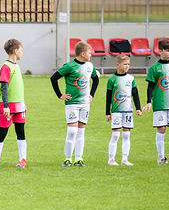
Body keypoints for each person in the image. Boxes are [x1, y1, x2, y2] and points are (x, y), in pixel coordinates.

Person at [51, 40, 99, 168]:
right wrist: (60, 95)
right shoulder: (69, 66)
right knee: (72, 131)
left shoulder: (90, 66)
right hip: (72, 103)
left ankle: (79, 158)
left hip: (85, 104)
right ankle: (67, 158)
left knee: (81, 132)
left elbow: (96, 79)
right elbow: (53, 78)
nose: (91, 55)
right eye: (89, 52)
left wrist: (92, 94)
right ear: (82, 54)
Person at [145, 38, 169, 164]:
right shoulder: (154, 68)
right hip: (160, 103)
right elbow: (150, 86)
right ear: (160, 51)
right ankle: (161, 157)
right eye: (167, 51)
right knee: (161, 129)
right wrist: (149, 101)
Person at [0, 39, 27, 170]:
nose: (22, 52)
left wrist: (23, 103)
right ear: (15, 51)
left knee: (20, 131)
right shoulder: (6, 67)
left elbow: (18, 87)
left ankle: (22, 159)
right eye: (21, 50)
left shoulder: (16, 66)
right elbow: (4, 87)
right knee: (3, 131)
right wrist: (6, 105)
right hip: (8, 106)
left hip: (19, 105)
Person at [105, 54, 142, 166]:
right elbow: (108, 97)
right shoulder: (112, 79)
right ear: (118, 65)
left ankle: (124, 160)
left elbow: (135, 94)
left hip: (128, 111)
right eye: (125, 64)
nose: (127, 66)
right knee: (116, 135)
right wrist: (107, 112)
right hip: (116, 111)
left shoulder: (131, 79)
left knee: (126, 135)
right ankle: (111, 160)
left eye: (128, 64)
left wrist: (138, 108)